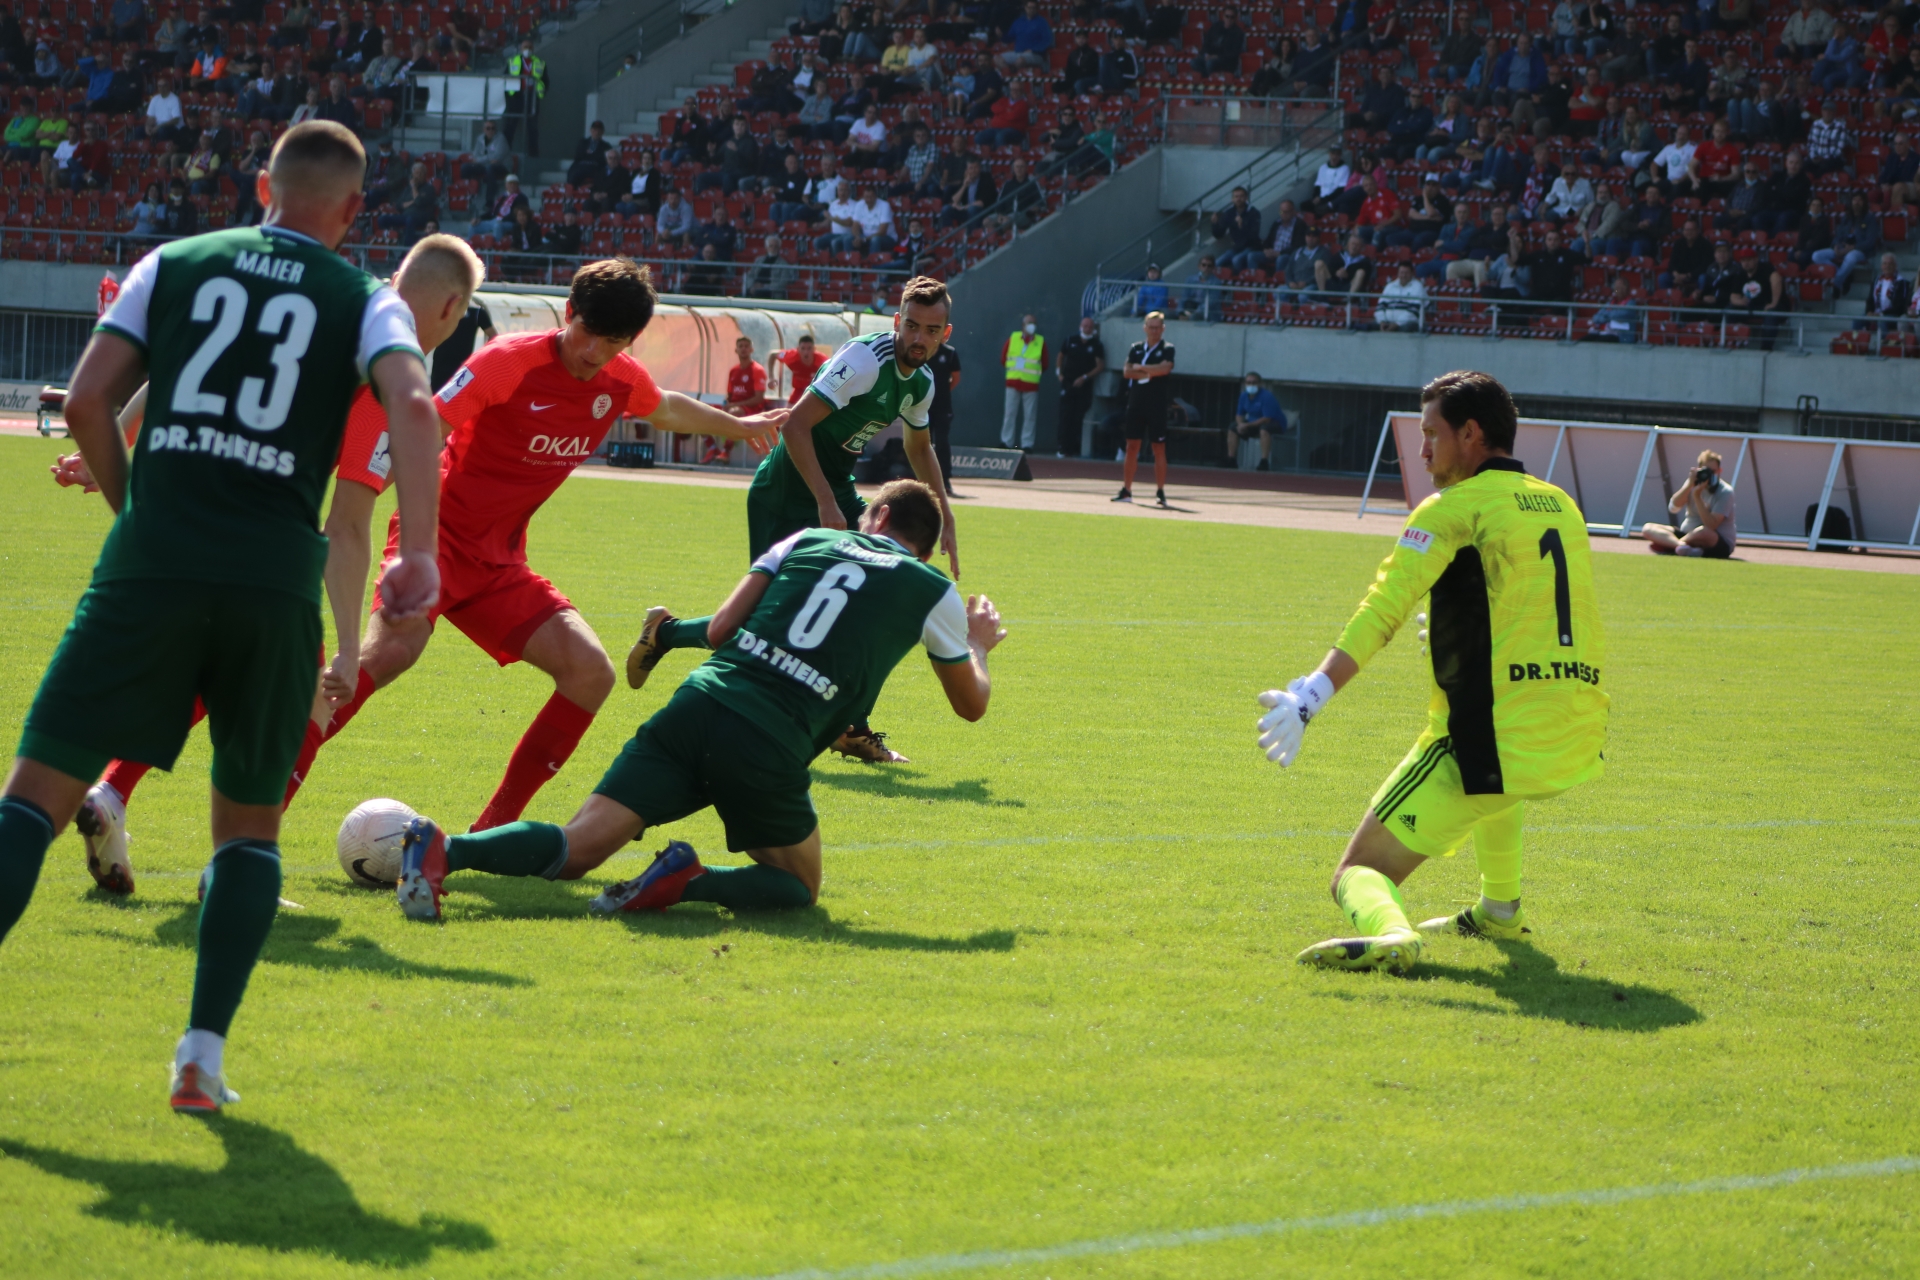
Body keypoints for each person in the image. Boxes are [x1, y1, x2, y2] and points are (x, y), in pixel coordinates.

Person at [0, 121, 445, 1113]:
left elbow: (85, 404)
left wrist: (139, 508)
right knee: (246, 829)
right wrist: (419, 550)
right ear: (353, 210)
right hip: (273, 584)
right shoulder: (365, 297)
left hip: (149, 566)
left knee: (30, 798)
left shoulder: (176, 261)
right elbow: (412, 407)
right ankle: (200, 1055)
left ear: (261, 187)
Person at [297, 260, 785, 836]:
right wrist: (364, 487)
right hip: (436, 540)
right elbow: (428, 423)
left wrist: (743, 424)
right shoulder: (507, 363)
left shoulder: (620, 379)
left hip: (501, 563)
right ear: (568, 314)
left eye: (615, 342)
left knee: (590, 673)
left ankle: (487, 835)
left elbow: (667, 408)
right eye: (588, 334)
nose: (595, 353)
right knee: (383, 659)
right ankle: (263, 806)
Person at [56, 237, 486, 889]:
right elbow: (345, 526)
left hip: (175, 519)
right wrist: (348, 644)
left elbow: (177, 359)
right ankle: (232, 872)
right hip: (258, 543)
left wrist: (113, 442)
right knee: (312, 693)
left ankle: (112, 795)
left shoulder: (318, 297)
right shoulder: (388, 369)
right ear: (452, 307)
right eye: (455, 323)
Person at [391, 480, 1005, 923]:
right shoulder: (932, 589)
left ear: (878, 514)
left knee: (578, 849)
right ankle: (687, 881)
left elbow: (717, 634)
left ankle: (447, 847)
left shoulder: (806, 540)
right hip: (770, 739)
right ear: (922, 548)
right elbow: (971, 706)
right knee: (797, 886)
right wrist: (976, 645)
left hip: (698, 703)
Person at [1261, 371, 1608, 974]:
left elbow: (1384, 607)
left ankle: (1391, 933)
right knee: (1499, 788)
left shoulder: (1453, 508)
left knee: (1357, 873)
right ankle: (1501, 909)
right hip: (1578, 731)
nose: (1422, 451)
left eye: (1431, 434)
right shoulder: (1562, 505)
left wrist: (1311, 695)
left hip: (1492, 737)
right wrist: (1460, 631)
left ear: (1471, 434)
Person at [628, 277, 963, 766]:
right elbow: (797, 425)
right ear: (896, 321)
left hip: (836, 492)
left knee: (868, 605)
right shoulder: (866, 361)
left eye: (930, 330)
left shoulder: (923, 383)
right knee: (755, 630)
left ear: (944, 334)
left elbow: (918, 448)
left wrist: (946, 514)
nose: (919, 338)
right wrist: (826, 503)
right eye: (911, 325)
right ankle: (665, 632)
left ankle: (852, 729)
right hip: (785, 493)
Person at [1114, 311, 1173, 508]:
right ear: (1145, 328)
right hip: (1136, 404)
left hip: (1156, 405)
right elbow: (1127, 372)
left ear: (1163, 329)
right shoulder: (1136, 348)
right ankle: (1127, 489)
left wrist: (1141, 369)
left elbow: (1165, 369)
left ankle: (1160, 490)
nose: (1154, 331)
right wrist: (1151, 371)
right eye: (1151, 327)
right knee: (1132, 447)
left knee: (1158, 448)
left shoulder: (1167, 348)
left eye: (1157, 327)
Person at [1641, 449, 1736, 557]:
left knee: (1704, 532)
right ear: (1698, 470)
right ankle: (1682, 547)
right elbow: (1673, 508)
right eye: (1706, 471)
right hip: (1687, 533)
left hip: (1715, 541)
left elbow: (1711, 525)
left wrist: (1697, 496)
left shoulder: (1725, 492)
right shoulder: (1692, 483)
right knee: (1648, 528)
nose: (1708, 475)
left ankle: (1671, 545)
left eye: (1712, 472)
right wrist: (1689, 485)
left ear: (1719, 471)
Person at [708, 335, 769, 464]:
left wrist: (734, 405)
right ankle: (712, 448)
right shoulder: (734, 371)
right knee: (703, 409)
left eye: (746, 346)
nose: (743, 349)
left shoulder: (757, 370)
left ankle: (726, 451)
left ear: (752, 350)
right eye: (740, 346)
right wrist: (726, 404)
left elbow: (759, 398)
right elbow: (729, 395)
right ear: (736, 350)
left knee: (734, 412)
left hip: (751, 409)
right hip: (735, 406)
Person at [1055, 315, 1102, 458]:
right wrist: (1059, 373)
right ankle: (1062, 447)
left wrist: (1085, 377)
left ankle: (1074, 448)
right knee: (1065, 416)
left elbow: (1100, 365)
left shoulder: (1096, 345)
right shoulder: (1070, 340)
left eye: (1089, 326)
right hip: (1068, 382)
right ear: (1080, 326)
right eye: (1084, 326)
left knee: (1078, 417)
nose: (1086, 329)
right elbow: (1060, 356)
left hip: (1084, 386)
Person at [430, 295, 496, 391]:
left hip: (462, 364)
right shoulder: (442, 310)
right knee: (438, 397)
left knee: (459, 397)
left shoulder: (476, 313)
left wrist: (481, 357)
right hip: (441, 362)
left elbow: (493, 336)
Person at [1000, 312, 1044, 451]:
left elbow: (1045, 363)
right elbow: (1004, 358)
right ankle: (1006, 442)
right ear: (1023, 325)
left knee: (1030, 416)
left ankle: (1027, 444)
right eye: (1029, 323)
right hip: (1013, 382)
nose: (1032, 326)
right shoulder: (1013, 338)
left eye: (1034, 323)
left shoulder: (1040, 341)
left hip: (1031, 385)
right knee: (1009, 414)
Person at [1224, 370, 1284, 470]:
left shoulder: (1267, 396)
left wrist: (1246, 425)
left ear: (1260, 383)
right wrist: (1240, 424)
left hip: (1274, 423)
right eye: (1248, 382)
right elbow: (1239, 414)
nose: (1251, 385)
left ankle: (1264, 461)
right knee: (1232, 427)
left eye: (1254, 382)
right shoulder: (1243, 396)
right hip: (1253, 424)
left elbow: (1266, 418)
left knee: (1264, 429)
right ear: (1245, 383)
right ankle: (1231, 459)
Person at [924, 336, 962, 493]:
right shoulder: (922, 351)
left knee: (942, 442)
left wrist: (941, 392)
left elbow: (956, 378)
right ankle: (923, 481)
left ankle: (945, 481)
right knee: (924, 443)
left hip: (942, 406)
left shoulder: (950, 353)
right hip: (923, 406)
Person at [774, 333, 827, 405]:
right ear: (798, 349)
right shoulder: (791, 356)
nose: (806, 352)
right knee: (788, 414)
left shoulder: (823, 361)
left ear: (814, 349)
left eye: (809, 348)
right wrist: (771, 377)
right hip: (798, 391)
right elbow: (773, 355)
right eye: (803, 348)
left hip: (815, 392)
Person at [1374, 262, 1429, 331]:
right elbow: (1380, 306)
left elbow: (1414, 311)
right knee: (1371, 326)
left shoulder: (1418, 287)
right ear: (1398, 273)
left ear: (1412, 273)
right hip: (1387, 323)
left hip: (1407, 324)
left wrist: (1396, 324)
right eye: (1401, 272)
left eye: (1407, 273)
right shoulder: (1390, 286)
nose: (1404, 275)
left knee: (1405, 328)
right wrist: (1382, 322)